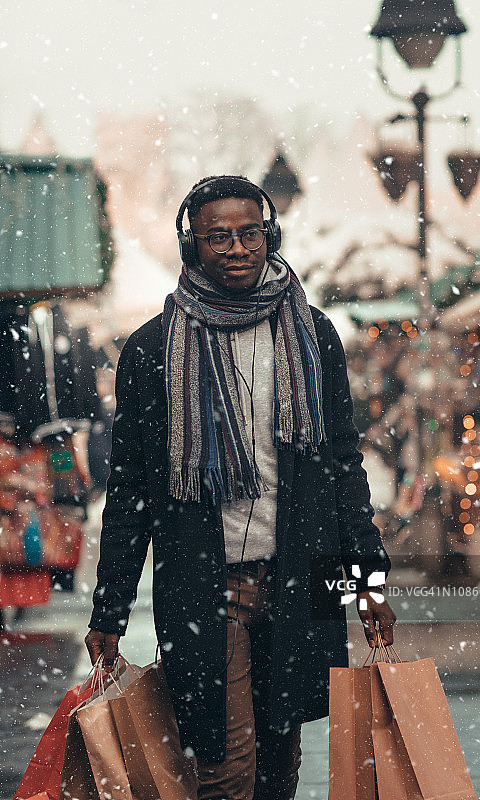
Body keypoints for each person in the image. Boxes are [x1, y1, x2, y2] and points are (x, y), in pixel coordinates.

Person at [85, 176, 396, 800]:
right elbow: (131, 491)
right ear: (192, 246)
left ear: (269, 234)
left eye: (248, 233)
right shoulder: (152, 351)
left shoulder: (314, 337)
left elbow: (341, 470)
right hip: (204, 581)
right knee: (224, 765)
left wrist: (369, 586)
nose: (236, 249)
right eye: (217, 236)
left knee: (282, 753)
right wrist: (109, 610)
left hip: (304, 571)